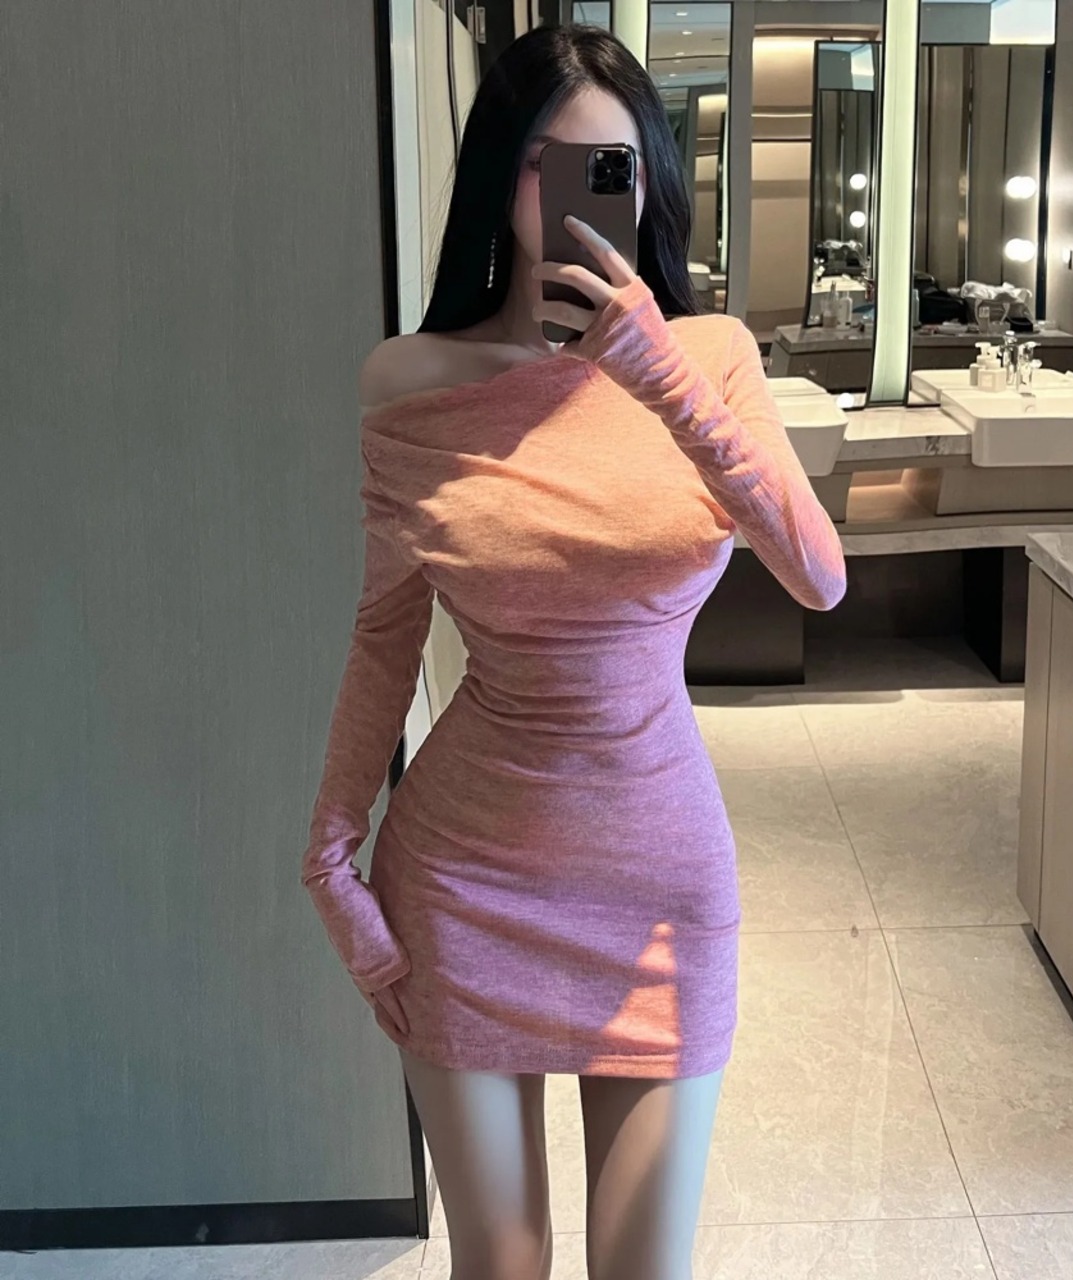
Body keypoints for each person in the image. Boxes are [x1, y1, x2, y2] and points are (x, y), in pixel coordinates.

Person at [301, 23, 846, 1280]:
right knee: (500, 1261)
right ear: (501, 180)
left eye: (616, 168)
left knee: (641, 1269)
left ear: (649, 181)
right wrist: (327, 857)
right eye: (549, 167)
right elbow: (383, 634)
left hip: (661, 883)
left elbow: (816, 573)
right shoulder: (411, 384)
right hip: (465, 879)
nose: (584, 200)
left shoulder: (710, 360)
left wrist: (656, 372)